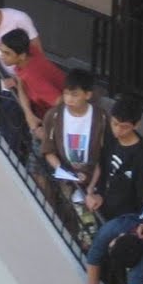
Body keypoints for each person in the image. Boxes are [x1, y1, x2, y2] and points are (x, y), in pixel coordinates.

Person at [82, 94, 143, 284]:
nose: (118, 130)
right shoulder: (110, 140)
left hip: (125, 219)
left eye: (123, 127)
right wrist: (92, 191)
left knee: (116, 263)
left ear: (136, 125)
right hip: (104, 211)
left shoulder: (140, 155)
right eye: (115, 124)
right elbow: (101, 167)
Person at [40, 68, 108, 209]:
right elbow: (48, 150)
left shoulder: (101, 117)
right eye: (66, 94)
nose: (69, 99)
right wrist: (63, 170)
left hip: (93, 180)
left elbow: (104, 154)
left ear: (88, 95)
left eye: (75, 95)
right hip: (66, 180)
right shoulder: (54, 116)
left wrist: (92, 184)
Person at [0, 27, 66, 156]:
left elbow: (61, 102)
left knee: (37, 170)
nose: (2, 57)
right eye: (1, 51)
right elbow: (21, 80)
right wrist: (29, 115)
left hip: (56, 127)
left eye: (7, 53)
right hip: (42, 118)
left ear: (21, 56)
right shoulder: (29, 53)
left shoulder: (32, 77)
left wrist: (44, 129)